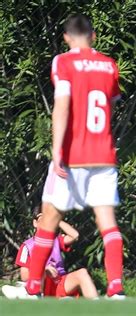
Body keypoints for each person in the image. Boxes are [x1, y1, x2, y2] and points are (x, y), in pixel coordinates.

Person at [9, 14, 125, 299]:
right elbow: (111, 102)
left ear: (66, 37)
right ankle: (116, 289)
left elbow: (61, 107)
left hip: (73, 154)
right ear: (94, 36)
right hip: (103, 154)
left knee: (49, 217)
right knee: (107, 222)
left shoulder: (63, 62)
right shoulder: (109, 65)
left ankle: (33, 288)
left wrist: (57, 150)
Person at [1, 207, 99, 299]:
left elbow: (74, 235)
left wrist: (56, 219)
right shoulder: (27, 247)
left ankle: (100, 309)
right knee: (40, 268)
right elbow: (25, 276)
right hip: (40, 285)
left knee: (82, 273)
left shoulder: (55, 241)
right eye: (43, 219)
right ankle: (34, 295)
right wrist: (44, 269)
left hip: (59, 281)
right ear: (35, 223)